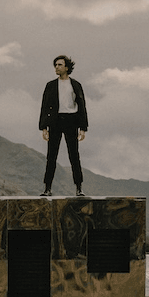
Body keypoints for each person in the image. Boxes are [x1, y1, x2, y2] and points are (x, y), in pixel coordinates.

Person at [39, 55, 88, 197]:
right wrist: (44, 127)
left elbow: (82, 106)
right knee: (51, 156)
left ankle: (79, 188)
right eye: (55, 65)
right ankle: (47, 188)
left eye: (60, 65)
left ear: (67, 67)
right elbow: (44, 107)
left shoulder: (76, 85)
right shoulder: (51, 85)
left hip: (71, 121)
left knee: (74, 155)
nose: (56, 67)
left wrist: (83, 128)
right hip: (55, 121)